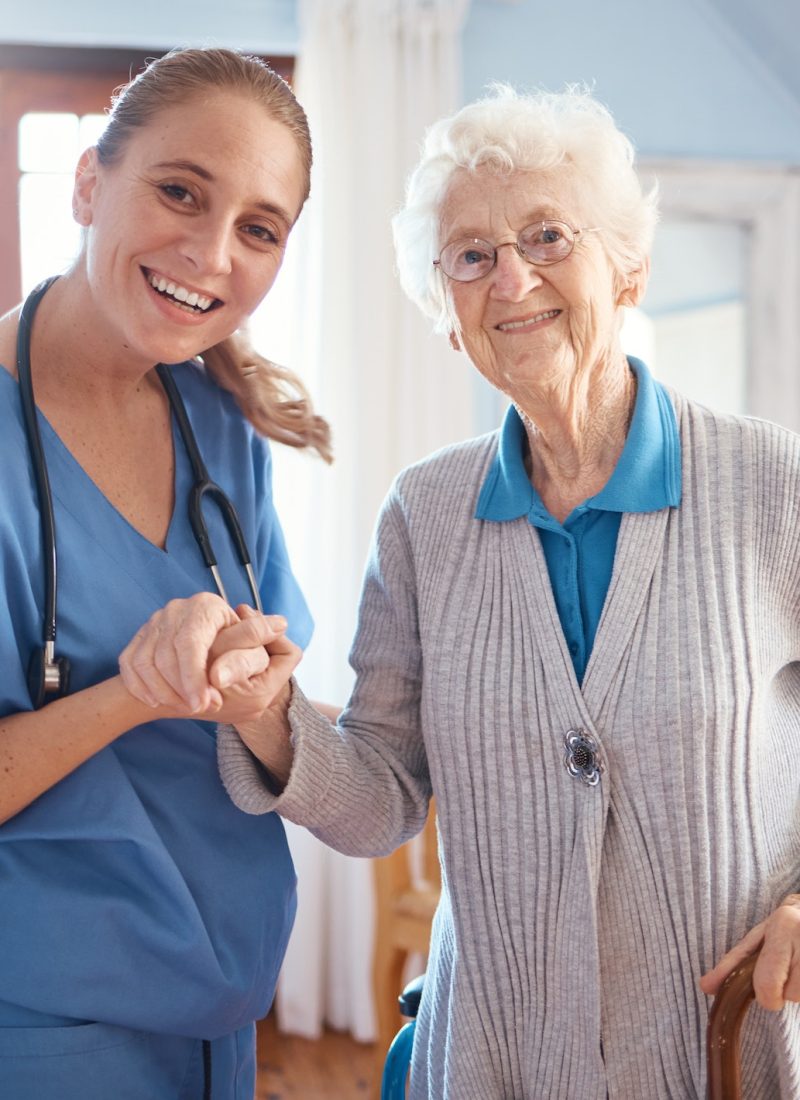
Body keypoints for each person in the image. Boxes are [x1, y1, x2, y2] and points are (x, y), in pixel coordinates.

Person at [125, 86, 800, 1098]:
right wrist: (266, 716)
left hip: (725, 1053)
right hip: (492, 1059)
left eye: (545, 235)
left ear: (626, 268)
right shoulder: (423, 516)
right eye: (470, 256)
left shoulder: (770, 485)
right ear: (446, 315)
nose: (510, 276)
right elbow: (379, 801)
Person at [0, 47, 332, 1099]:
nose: (211, 250)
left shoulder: (219, 431)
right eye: (180, 191)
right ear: (90, 182)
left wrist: (255, 681)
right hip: (43, 1019)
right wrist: (133, 695)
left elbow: (261, 699)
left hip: (222, 1007)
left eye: (258, 228)